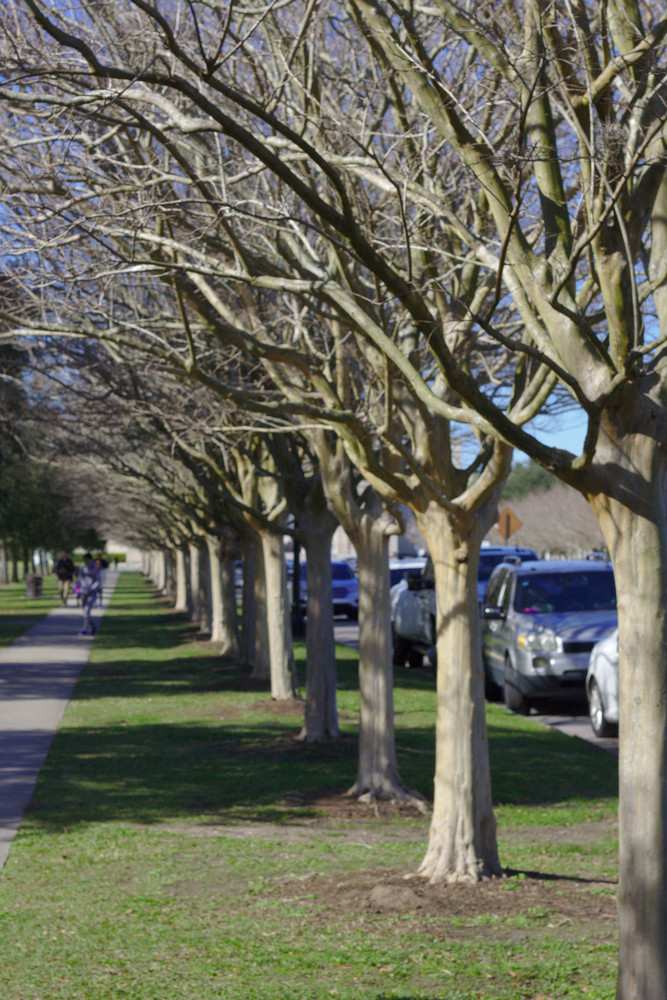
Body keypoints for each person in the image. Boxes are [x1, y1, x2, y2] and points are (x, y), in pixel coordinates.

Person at [77, 552, 101, 636]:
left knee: (87, 612)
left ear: (90, 559)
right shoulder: (82, 568)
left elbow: (98, 581)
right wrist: (80, 588)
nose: (85, 561)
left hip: (91, 593)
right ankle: (91, 627)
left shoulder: (95, 569)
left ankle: (84, 629)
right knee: (85, 612)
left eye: (86, 559)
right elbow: (80, 578)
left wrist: (92, 588)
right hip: (83, 592)